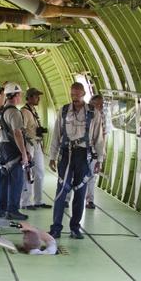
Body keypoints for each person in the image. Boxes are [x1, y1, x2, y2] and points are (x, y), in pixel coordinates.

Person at [48, 83, 105, 240]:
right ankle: (56, 228)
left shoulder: (93, 114)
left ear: (84, 94)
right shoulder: (64, 111)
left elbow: (99, 139)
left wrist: (100, 159)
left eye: (78, 95)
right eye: (72, 94)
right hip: (66, 154)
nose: (75, 98)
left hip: (83, 155)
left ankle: (75, 227)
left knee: (80, 192)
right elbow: (56, 134)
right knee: (61, 191)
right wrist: (52, 156)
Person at [0, 82, 30, 223]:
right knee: (16, 181)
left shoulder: (1, 111)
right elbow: (17, 133)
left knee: (4, 180)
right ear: (15, 95)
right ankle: (13, 210)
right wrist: (24, 153)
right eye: (20, 94)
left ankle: (2, 208)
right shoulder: (14, 112)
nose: (20, 97)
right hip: (12, 149)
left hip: (2, 147)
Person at [20, 87, 51, 211]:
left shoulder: (33, 111)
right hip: (30, 145)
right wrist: (25, 149)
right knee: (28, 173)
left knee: (40, 173)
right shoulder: (25, 112)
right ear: (30, 97)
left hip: (36, 144)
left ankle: (38, 200)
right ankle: (26, 202)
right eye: (36, 96)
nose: (38, 99)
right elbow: (21, 130)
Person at [86, 94, 104, 209]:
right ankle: (67, 199)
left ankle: (90, 200)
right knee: (74, 176)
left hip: (93, 151)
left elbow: (102, 137)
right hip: (80, 150)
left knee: (92, 176)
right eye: (99, 104)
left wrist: (100, 157)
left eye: (102, 104)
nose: (101, 107)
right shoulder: (82, 114)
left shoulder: (101, 116)